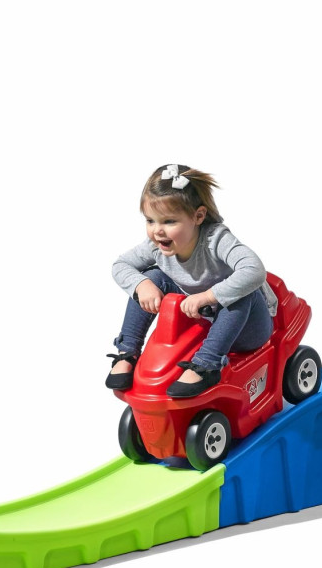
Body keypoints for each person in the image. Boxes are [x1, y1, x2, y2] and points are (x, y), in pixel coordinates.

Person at [105, 164, 276, 398]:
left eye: (169, 221)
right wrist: (141, 285)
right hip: (200, 320)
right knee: (152, 277)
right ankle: (127, 352)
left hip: (247, 327)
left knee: (242, 294)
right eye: (150, 220)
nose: (157, 231)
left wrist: (208, 296)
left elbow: (255, 270)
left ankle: (207, 365)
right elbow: (120, 265)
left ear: (198, 216)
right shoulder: (155, 246)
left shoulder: (215, 240)